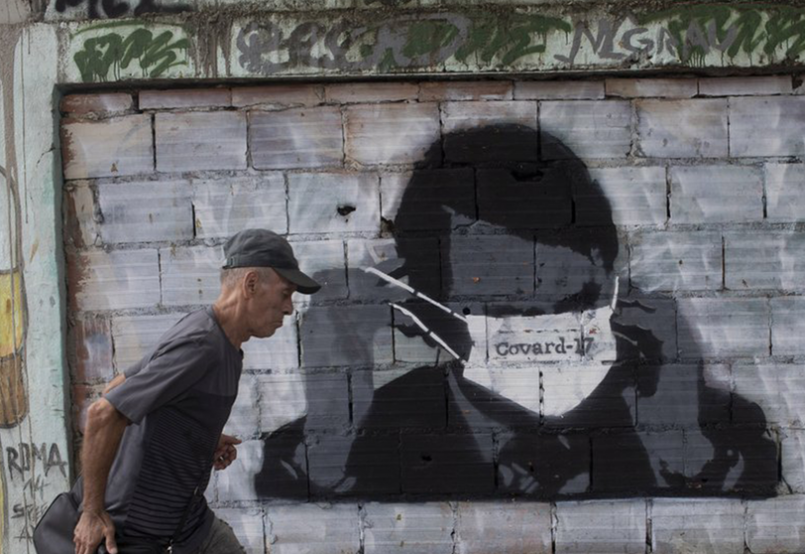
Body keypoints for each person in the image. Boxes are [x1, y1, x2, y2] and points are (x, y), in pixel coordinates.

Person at [256, 124, 778, 500]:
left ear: (609, 285)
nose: (536, 331)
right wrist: (336, 410)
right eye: (498, 310)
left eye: (566, 304)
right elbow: (306, 502)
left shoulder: (723, 428)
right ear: (426, 307)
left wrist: (678, 438)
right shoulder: (351, 439)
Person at [63, 229, 320, 554]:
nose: (288, 308)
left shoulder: (221, 341)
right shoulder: (201, 343)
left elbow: (124, 386)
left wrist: (202, 436)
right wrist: (91, 512)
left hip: (191, 524)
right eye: (285, 294)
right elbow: (105, 412)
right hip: (149, 534)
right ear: (251, 284)